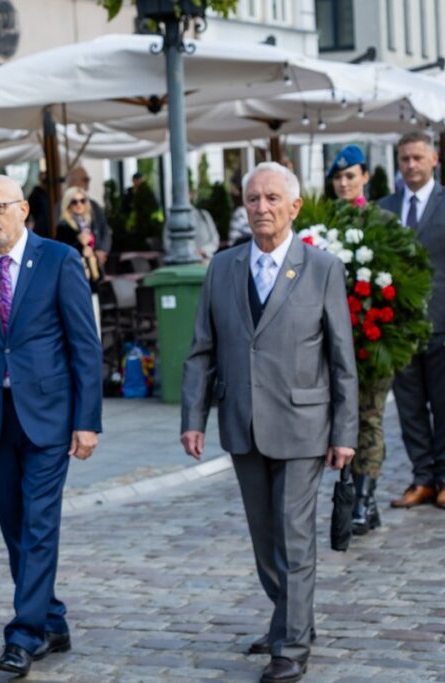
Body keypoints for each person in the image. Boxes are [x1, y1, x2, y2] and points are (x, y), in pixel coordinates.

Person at [181, 162, 358, 683]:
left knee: (294, 533)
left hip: (304, 425)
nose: (262, 208)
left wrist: (344, 432)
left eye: (272, 198)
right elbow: (200, 351)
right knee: (265, 539)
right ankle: (290, 615)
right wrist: (194, 418)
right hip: (242, 422)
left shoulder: (322, 268)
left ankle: (292, 644)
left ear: (294, 207)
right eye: (253, 199)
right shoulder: (223, 267)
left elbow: (342, 357)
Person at [0, 175, 102, 677]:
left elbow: (85, 346)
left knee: (39, 523)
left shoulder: (59, 260)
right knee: (15, 526)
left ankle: (24, 633)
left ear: (22, 211)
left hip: (50, 416)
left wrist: (87, 422)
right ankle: (51, 618)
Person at [377, 131, 445, 510]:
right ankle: (422, 478)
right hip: (398, 328)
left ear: (434, 159)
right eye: (405, 159)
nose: (411, 165)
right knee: (410, 408)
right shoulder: (384, 208)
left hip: (442, 322)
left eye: (418, 158)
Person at [326, 145, 389, 532]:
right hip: (334, 341)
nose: (344, 183)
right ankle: (355, 494)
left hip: (374, 340)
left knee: (369, 418)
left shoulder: (382, 221)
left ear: (365, 176)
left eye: (350, 176)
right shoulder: (324, 222)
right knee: (339, 421)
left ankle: (362, 501)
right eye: (338, 177)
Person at [54, 186, 102, 286]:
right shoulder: (64, 226)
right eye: (74, 202)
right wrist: (80, 246)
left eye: (82, 201)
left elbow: (96, 246)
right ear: (68, 205)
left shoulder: (89, 223)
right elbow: (61, 252)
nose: (79, 204)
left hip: (91, 273)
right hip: (74, 276)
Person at [65, 165, 111, 268]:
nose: (79, 204)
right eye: (85, 179)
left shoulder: (93, 206)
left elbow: (105, 229)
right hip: (76, 265)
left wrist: (102, 251)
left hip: (94, 263)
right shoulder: (62, 216)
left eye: (83, 201)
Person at [163, 189, 221, 261]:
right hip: (181, 262)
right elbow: (167, 244)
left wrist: (202, 250)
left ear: (190, 195)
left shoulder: (204, 215)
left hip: (205, 261)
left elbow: (215, 240)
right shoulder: (171, 218)